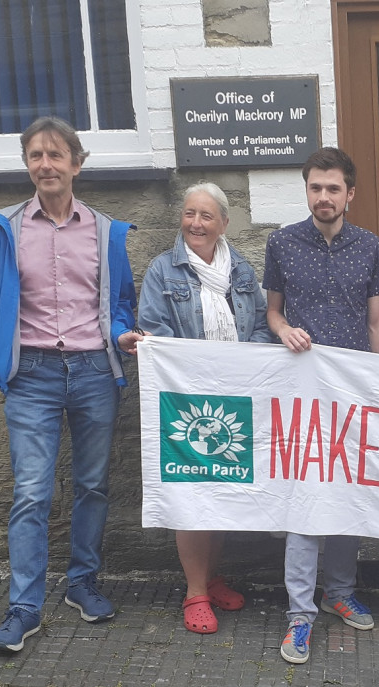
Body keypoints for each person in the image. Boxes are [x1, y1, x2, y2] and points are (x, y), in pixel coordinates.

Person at [0, 116, 141, 652]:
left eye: (55, 155)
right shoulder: (6, 228)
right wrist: (5, 368)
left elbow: (120, 302)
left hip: (94, 372)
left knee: (93, 485)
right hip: (33, 376)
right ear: (27, 164)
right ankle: (25, 607)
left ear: (76, 162)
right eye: (34, 156)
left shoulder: (106, 230)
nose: (44, 165)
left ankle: (81, 583)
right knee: (31, 493)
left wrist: (120, 336)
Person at [264, 147, 379, 665]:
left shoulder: (370, 246)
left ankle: (338, 589)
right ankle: (300, 614)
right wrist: (284, 330)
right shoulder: (281, 241)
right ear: (307, 191)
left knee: (347, 496)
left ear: (350, 194)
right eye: (316, 187)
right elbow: (272, 312)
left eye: (333, 188)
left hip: (353, 391)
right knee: (305, 499)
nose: (324, 197)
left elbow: (378, 321)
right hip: (301, 388)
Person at [131, 182, 270, 633]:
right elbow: (153, 330)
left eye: (206, 216)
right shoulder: (162, 271)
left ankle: (211, 579)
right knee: (191, 493)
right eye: (189, 214)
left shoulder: (243, 272)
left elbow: (264, 329)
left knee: (222, 489)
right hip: (184, 400)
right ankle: (193, 593)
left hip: (234, 399)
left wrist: (244, 365)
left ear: (224, 223)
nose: (196, 223)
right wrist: (203, 367)